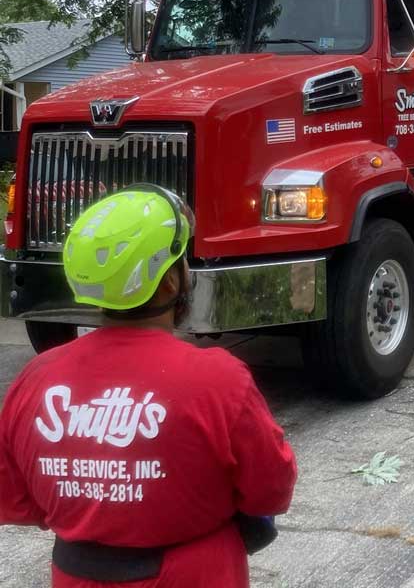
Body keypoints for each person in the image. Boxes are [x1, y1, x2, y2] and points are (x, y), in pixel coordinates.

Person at [0, 185, 297, 587]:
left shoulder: (36, 380)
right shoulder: (219, 380)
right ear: (171, 284)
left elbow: (15, 500)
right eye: (183, 261)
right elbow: (270, 488)